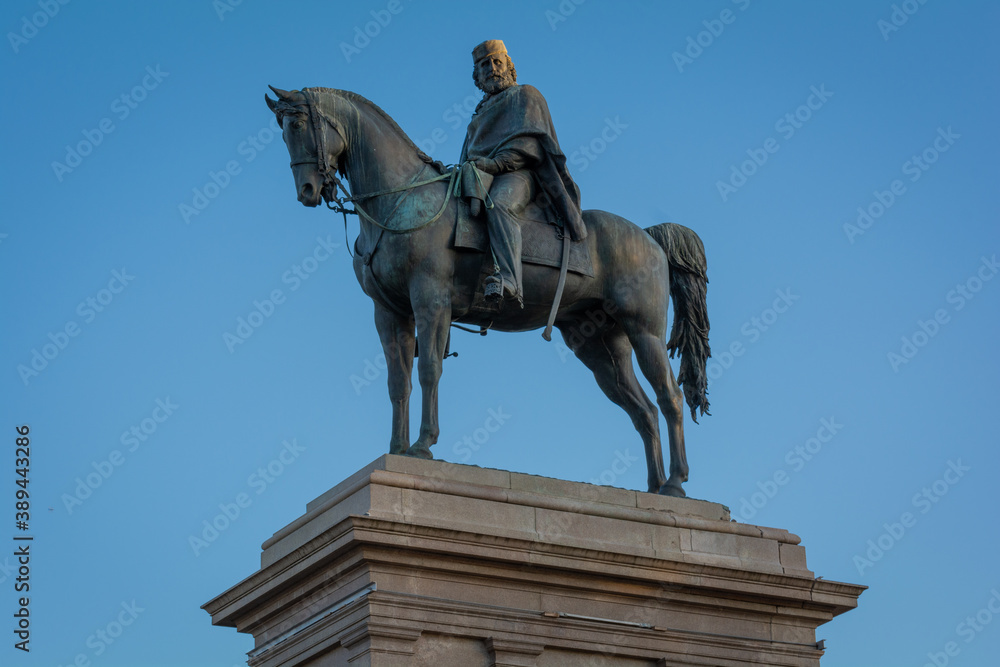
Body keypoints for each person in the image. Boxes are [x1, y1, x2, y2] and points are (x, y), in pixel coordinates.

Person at [459, 39, 586, 308]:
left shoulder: (526, 95)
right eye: (484, 65)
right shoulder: (477, 115)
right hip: (480, 176)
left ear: (509, 67)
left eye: (496, 62)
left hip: (520, 173)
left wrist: (495, 165)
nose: (491, 68)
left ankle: (510, 280)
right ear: (477, 77)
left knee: (499, 205)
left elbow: (530, 146)